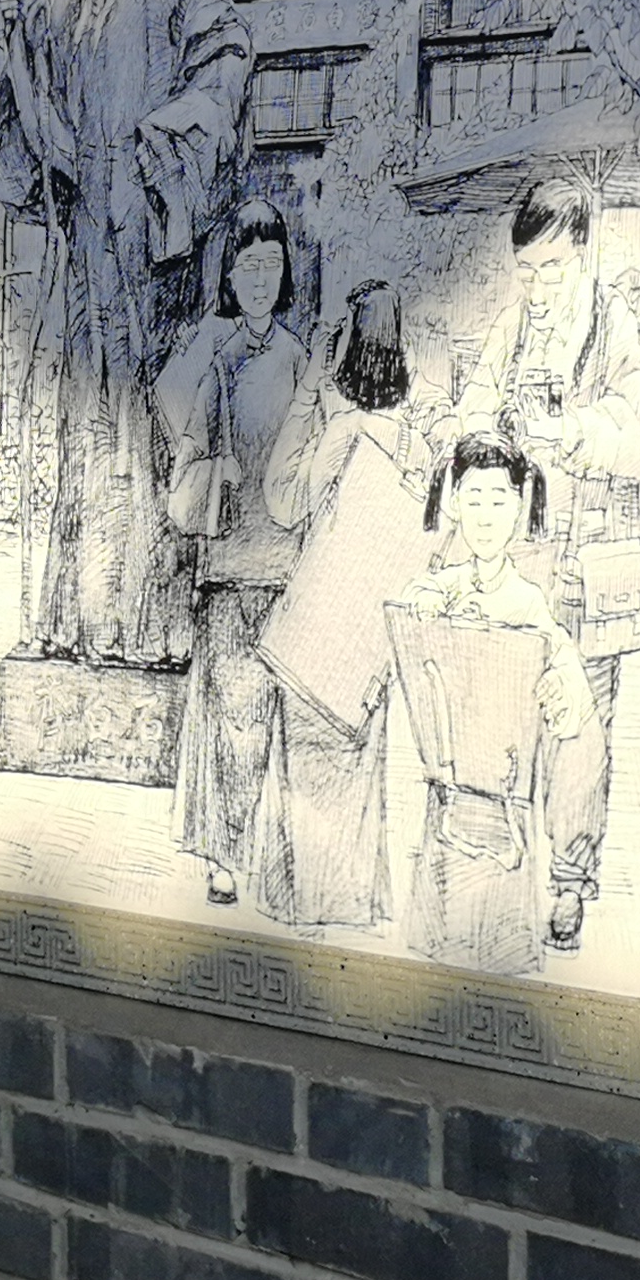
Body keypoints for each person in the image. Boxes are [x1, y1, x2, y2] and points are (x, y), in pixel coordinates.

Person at [0, 0, 252, 679]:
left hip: (145, 222)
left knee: (144, 420)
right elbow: (32, 87)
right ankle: (68, 618)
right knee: (73, 419)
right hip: (78, 230)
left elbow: (226, 55)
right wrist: (30, 62)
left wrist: (157, 150)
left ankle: (144, 625)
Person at [451, 177, 640, 953]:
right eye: (526, 272)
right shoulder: (510, 329)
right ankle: (502, 868)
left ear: (582, 255)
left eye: (552, 271)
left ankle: (569, 884)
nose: (537, 289)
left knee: (581, 737)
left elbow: (635, 435)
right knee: (502, 720)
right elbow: (473, 411)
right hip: (522, 564)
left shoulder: (613, 326)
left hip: (592, 569)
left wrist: (570, 432)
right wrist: (491, 436)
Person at [246, 278, 425, 931]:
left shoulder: (341, 432)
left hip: (317, 631)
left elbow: (282, 501)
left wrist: (308, 398)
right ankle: (351, 904)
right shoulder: (412, 444)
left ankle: (305, 910)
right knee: (357, 779)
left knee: (306, 778)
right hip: (367, 647)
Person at [384, 429, 594, 980]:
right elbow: (414, 610)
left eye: (498, 501)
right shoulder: (440, 586)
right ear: (454, 503)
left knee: (495, 960)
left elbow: (564, 672)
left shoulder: (528, 601)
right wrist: (430, 605)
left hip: (505, 800)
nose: (484, 516)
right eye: (473, 499)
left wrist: (558, 686)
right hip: (451, 790)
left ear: (519, 508)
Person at [154, 202, 310, 901]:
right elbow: (184, 454)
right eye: (248, 266)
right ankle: (223, 857)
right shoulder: (214, 356)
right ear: (229, 275)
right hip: (226, 568)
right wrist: (218, 467)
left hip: (285, 566)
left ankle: (269, 861)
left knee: (272, 720)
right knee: (228, 719)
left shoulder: (299, 359)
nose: (260, 279)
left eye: (272, 266)